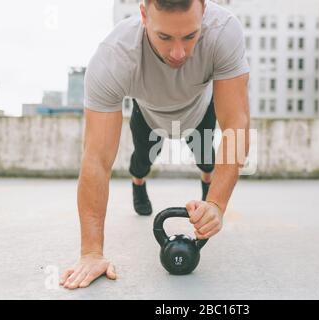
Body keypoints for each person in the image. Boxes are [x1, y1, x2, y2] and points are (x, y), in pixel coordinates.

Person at [60, 0, 250, 290]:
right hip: (149, 116)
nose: (178, 53)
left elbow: (236, 125)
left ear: (203, 11)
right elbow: (96, 158)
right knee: (141, 161)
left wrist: (217, 204)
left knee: (207, 160)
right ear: (144, 15)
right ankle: (139, 182)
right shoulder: (114, 57)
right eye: (164, 37)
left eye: (189, 36)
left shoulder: (223, 31)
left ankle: (207, 187)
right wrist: (91, 253)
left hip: (199, 112)